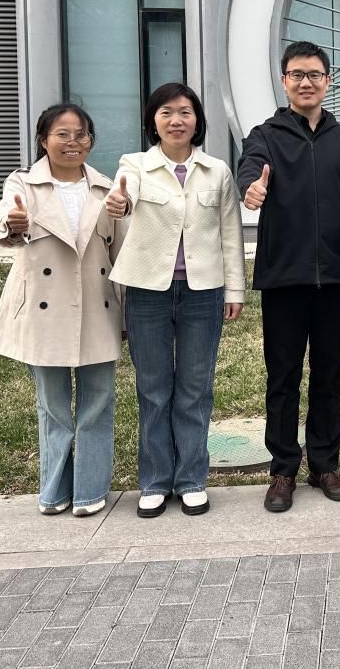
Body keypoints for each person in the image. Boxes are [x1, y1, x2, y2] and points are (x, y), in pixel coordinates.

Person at [236, 41, 340, 513]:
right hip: (284, 277)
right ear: (284, 81)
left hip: (335, 278)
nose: (306, 82)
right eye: (297, 74)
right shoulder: (265, 135)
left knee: (328, 373)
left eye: (314, 74)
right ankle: (282, 469)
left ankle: (325, 463)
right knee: (283, 376)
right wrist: (251, 188)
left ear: (328, 81)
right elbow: (250, 168)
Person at [105, 83, 244, 518]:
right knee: (153, 389)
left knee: (195, 388)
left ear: (197, 121)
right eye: (166, 112)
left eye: (185, 112)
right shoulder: (134, 165)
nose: (176, 120)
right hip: (148, 292)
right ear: (153, 121)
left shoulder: (216, 171)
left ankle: (191, 480)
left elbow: (230, 233)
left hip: (203, 292)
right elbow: (124, 200)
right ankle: (154, 480)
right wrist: (118, 202)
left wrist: (234, 289)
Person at [0, 103, 124, 517]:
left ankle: (89, 490)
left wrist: (127, 315)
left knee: (98, 402)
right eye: (62, 134)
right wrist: (13, 225)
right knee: (53, 406)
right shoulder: (23, 183)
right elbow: (4, 223)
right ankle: (53, 491)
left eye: (81, 134)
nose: (72, 142)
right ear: (43, 140)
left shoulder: (106, 189)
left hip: (98, 305)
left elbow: (119, 253)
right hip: (43, 310)